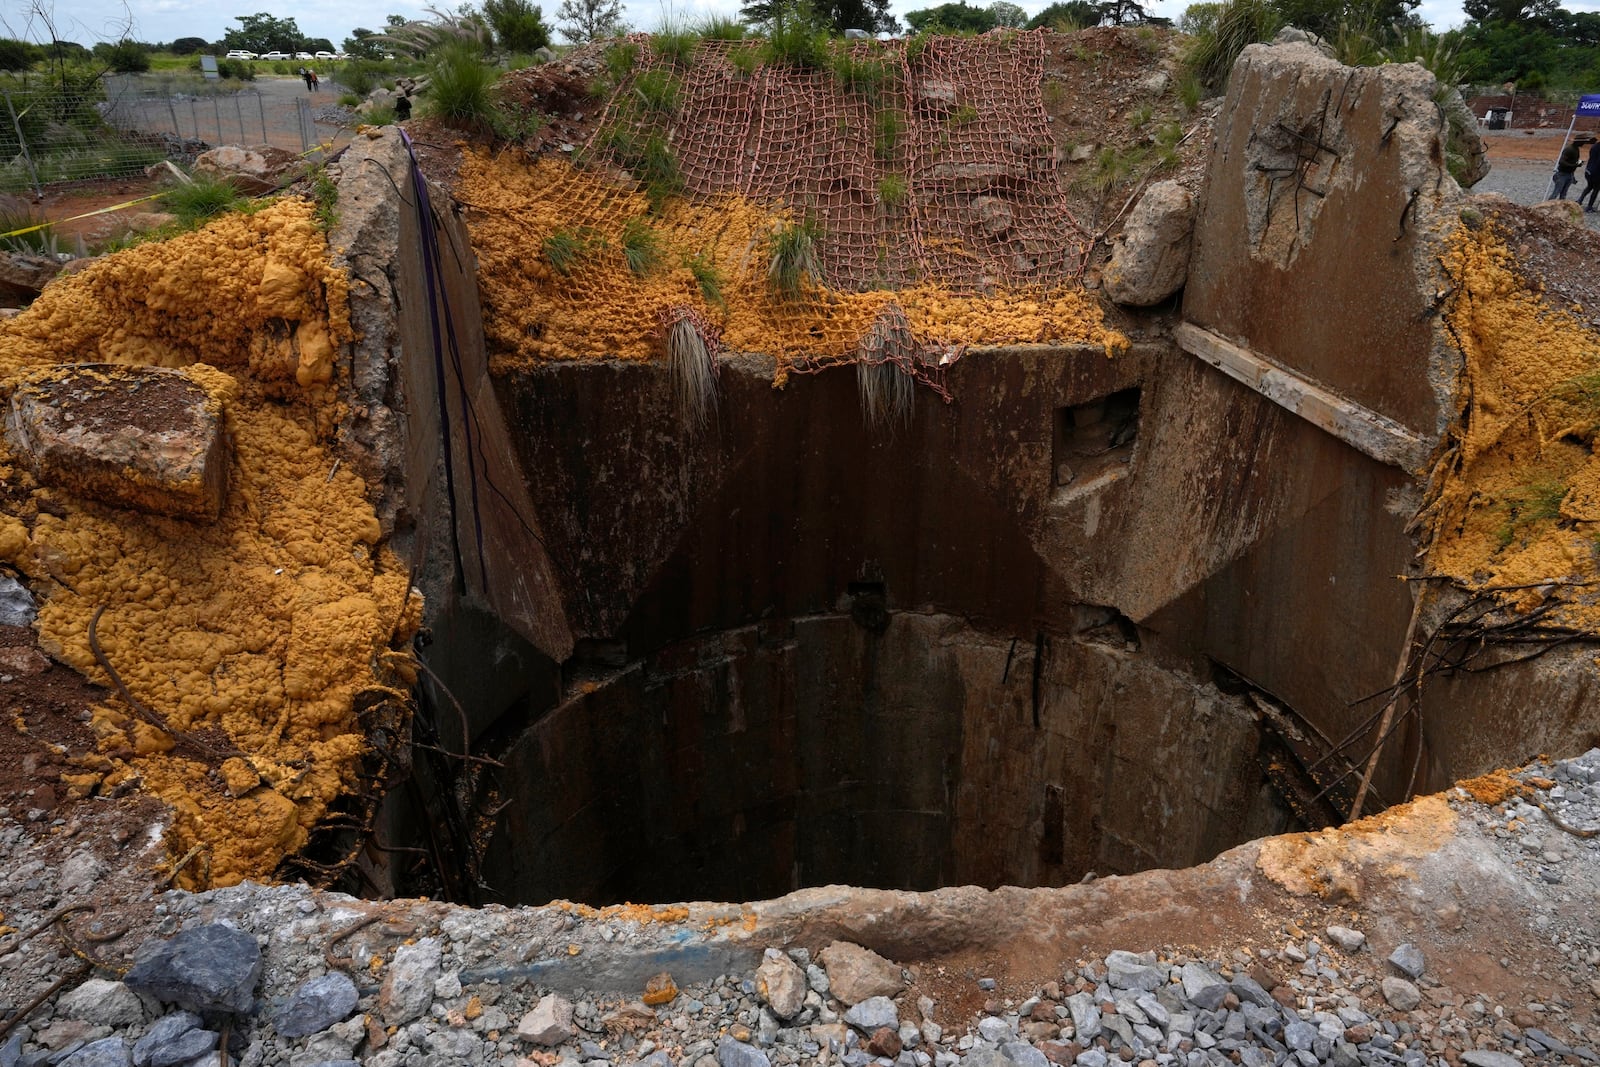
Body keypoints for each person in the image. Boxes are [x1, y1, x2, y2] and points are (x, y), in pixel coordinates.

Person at [1552, 136, 1594, 201]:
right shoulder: (1569, 149)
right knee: (1556, 193)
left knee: (1563, 194)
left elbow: (1571, 161)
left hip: (1569, 174)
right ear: (1578, 142)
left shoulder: (1576, 149)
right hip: (1562, 174)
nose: (1584, 143)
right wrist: (1574, 165)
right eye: (1583, 142)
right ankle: (1548, 205)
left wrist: (1577, 163)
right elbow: (1561, 161)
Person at [1583, 139, 1600, 213]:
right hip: (1597, 173)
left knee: (1589, 186)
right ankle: (1589, 206)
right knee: (1596, 189)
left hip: (1589, 170)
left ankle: (1580, 200)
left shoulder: (1594, 146)